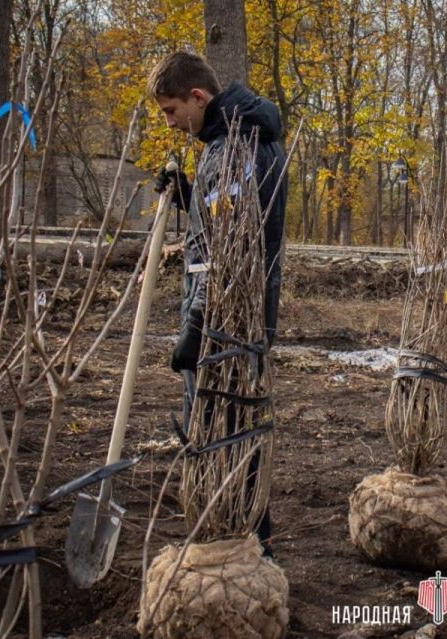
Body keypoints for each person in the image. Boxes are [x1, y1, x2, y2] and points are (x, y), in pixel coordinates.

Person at [146, 51, 288, 552]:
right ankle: (250, 539)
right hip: (244, 316)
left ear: (199, 97)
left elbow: (227, 253)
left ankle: (241, 542)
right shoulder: (251, 138)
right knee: (237, 421)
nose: (170, 123)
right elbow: (229, 222)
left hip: (224, 325)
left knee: (221, 426)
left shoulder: (230, 150)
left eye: (171, 111)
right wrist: (189, 194)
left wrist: (197, 323)